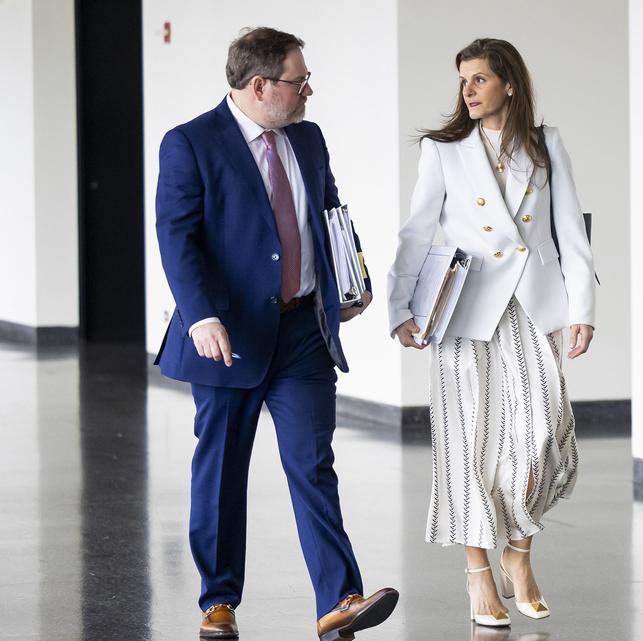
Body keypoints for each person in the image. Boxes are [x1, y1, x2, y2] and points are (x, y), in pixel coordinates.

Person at [154, 27, 398, 640]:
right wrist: (201, 315)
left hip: (302, 332)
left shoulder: (307, 139)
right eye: (299, 81)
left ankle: (338, 599)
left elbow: (331, 213)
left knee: (313, 464)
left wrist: (350, 280)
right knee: (221, 470)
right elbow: (176, 237)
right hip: (228, 337)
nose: (308, 90)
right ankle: (218, 600)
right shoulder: (190, 143)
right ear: (260, 85)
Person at [386, 38, 596, 627]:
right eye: (463, 81)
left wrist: (583, 308)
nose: (468, 90)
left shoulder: (546, 144)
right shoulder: (443, 150)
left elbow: (570, 233)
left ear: (509, 83)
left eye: (479, 79)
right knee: (467, 444)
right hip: (463, 309)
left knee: (543, 435)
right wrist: (400, 307)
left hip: (532, 305)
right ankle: (479, 574)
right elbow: (416, 232)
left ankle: (518, 551)